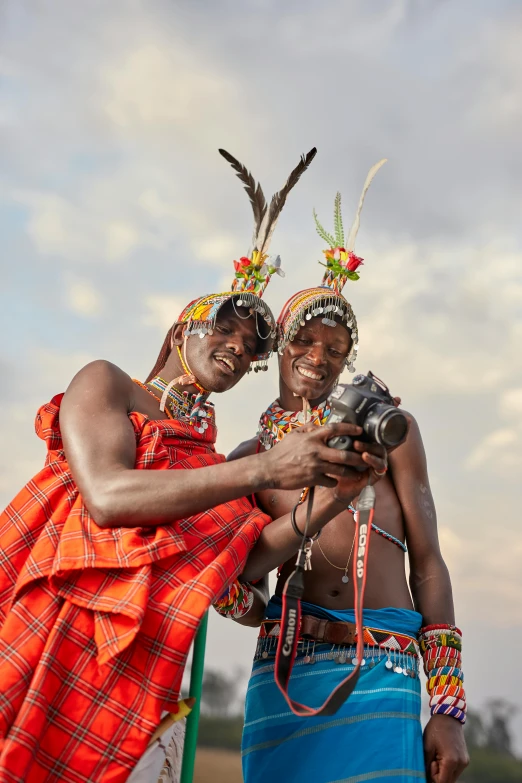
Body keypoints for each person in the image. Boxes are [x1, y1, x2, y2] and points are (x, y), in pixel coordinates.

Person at [0, 147, 388, 783]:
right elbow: (107, 495)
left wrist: (336, 494)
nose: (238, 347)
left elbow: (247, 563)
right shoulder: (108, 384)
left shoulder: (205, 464)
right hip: (57, 621)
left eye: (253, 346)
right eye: (224, 329)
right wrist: (263, 471)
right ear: (182, 327)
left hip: (145, 666)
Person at [215, 162, 470, 783]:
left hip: (384, 670)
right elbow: (237, 587)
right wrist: (237, 595)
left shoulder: (386, 434)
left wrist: (450, 707)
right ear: (279, 349)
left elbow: (429, 564)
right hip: (282, 670)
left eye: (335, 349)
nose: (318, 358)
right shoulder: (249, 459)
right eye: (305, 342)